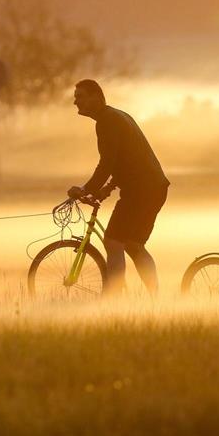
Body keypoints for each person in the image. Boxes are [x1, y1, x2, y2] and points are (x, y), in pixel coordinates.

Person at [68, 79, 169, 296]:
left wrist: (86, 189)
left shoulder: (106, 121)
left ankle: (112, 300)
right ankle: (156, 299)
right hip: (152, 187)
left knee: (113, 241)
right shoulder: (114, 116)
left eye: (80, 96)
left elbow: (107, 163)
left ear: (96, 96)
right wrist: (107, 188)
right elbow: (126, 160)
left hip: (142, 190)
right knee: (133, 245)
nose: (75, 102)